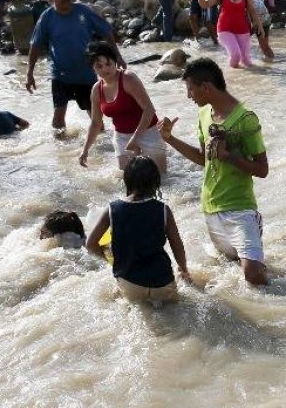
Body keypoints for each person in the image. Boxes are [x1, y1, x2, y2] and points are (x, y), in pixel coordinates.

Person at [158, 58, 269, 285]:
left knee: (253, 276)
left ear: (206, 87)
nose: (189, 95)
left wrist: (230, 156)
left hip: (240, 207)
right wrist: (169, 139)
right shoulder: (203, 115)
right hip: (210, 206)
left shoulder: (246, 119)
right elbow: (203, 159)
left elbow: (262, 169)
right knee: (232, 267)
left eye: (190, 89)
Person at [86, 156, 192, 304]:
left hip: (130, 281)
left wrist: (109, 258)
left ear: (127, 179)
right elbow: (177, 245)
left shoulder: (112, 209)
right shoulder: (163, 210)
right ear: (155, 181)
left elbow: (90, 243)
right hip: (162, 280)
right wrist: (184, 270)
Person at [26, 0, 124, 130]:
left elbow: (106, 31)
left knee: (97, 121)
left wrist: (117, 56)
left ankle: (102, 151)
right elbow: (35, 45)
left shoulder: (83, 11)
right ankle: (61, 151)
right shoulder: (47, 17)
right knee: (58, 119)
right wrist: (29, 73)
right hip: (60, 75)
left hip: (86, 74)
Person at [80, 41, 166, 172]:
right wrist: (85, 150)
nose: (104, 69)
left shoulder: (128, 78)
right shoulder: (97, 89)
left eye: (108, 64)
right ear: (93, 68)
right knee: (127, 183)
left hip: (148, 132)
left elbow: (149, 109)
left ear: (115, 61)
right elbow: (95, 122)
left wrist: (136, 138)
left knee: (161, 180)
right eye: (99, 66)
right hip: (121, 137)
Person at [196, 0, 266, 69]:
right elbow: (206, 4)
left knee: (246, 61)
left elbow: (252, 10)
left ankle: (241, 81)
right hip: (225, 29)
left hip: (243, 29)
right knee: (235, 55)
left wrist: (260, 26)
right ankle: (231, 78)